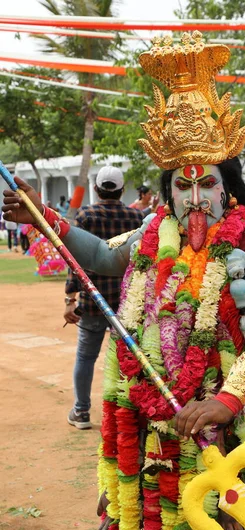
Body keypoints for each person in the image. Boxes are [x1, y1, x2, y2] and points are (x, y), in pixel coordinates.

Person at [3, 34, 245, 530]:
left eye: (208, 183)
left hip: (231, 428)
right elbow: (105, 256)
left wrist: (225, 400)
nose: (196, 198)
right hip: (156, 425)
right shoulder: (152, 236)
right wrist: (46, 219)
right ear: (169, 191)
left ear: (228, 189)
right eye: (184, 184)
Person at [64, 166, 144, 429]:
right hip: (127, 302)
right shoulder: (135, 217)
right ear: (122, 190)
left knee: (86, 357)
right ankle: (128, 414)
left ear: (96, 189)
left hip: (93, 302)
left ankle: (82, 412)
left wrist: (70, 299)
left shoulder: (86, 215)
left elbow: (73, 259)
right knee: (127, 359)